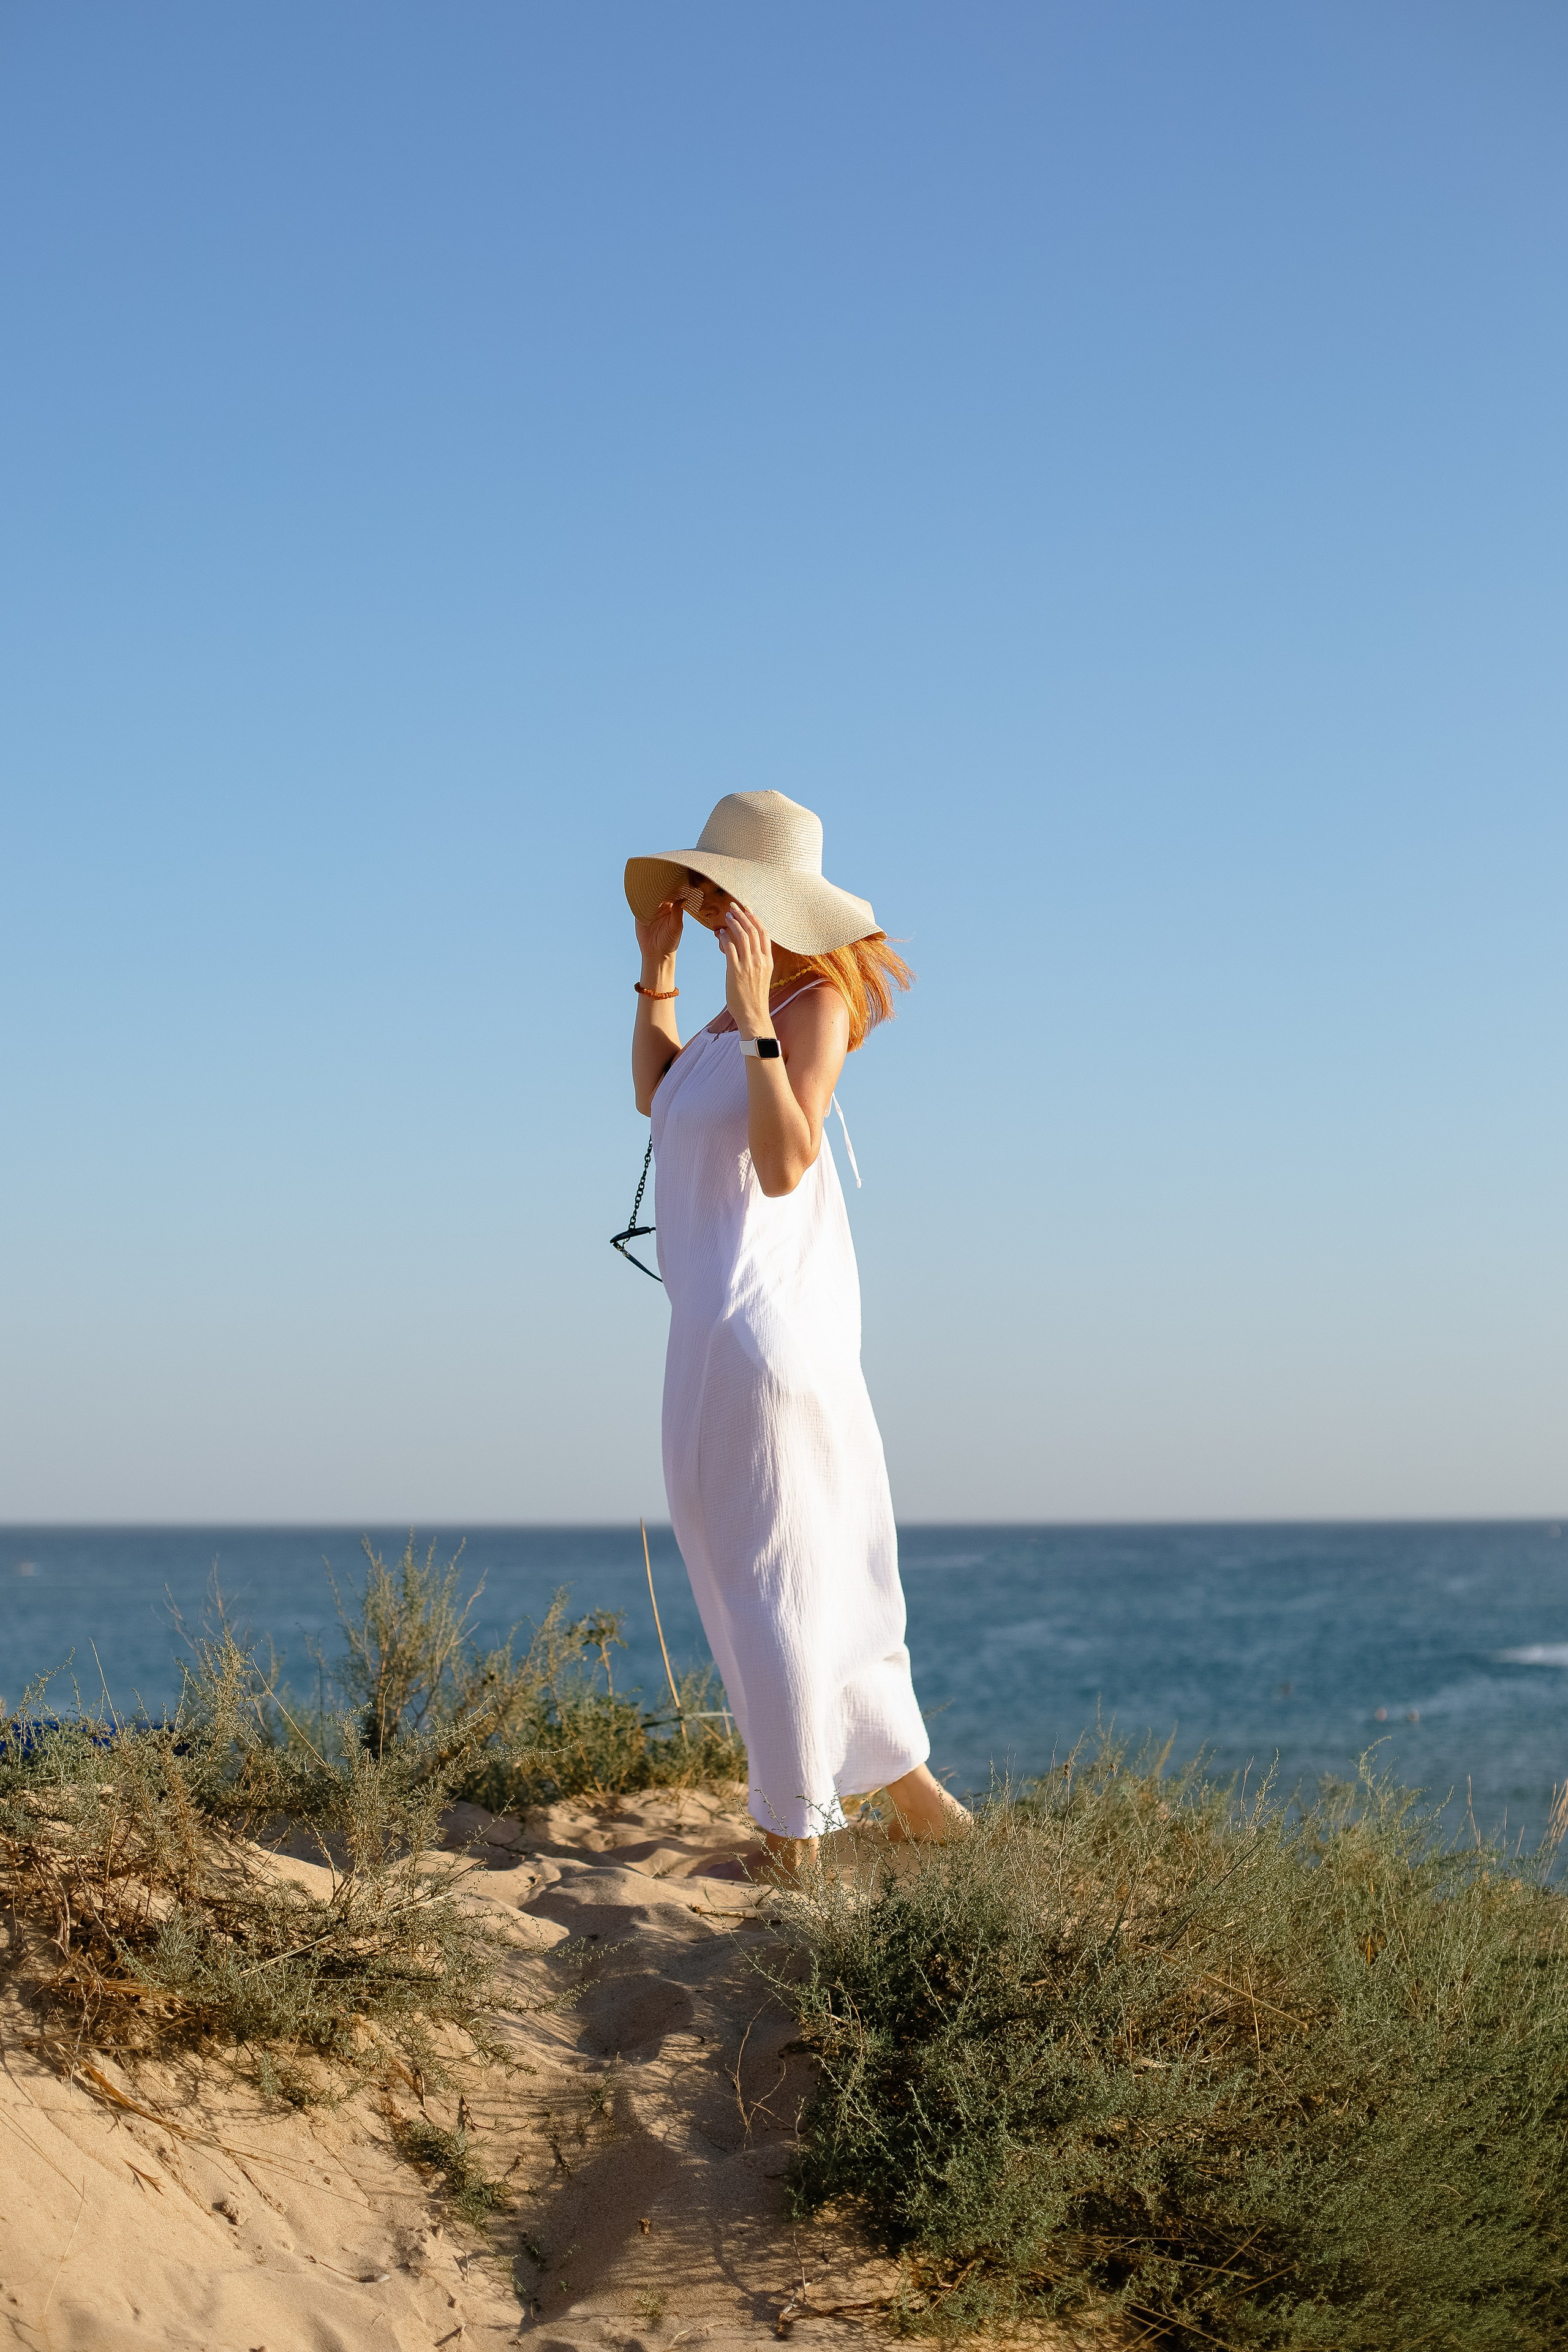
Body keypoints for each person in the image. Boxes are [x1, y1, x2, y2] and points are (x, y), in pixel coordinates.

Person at [625, 789, 967, 1877]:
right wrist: (657, 970)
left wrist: (754, 1012)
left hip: (761, 1341)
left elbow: (785, 1161)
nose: (700, 901)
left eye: (715, 888)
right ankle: (923, 1810)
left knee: (772, 1585)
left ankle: (793, 1843)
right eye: (699, 886)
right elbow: (657, 1096)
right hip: (713, 1336)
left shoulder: (808, 1005)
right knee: (809, 1575)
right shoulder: (726, 1023)